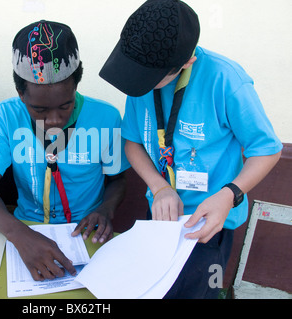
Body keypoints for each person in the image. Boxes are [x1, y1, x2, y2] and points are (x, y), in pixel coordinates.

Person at [100, 0, 282, 298]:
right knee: (153, 289)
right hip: (161, 211)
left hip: (212, 220)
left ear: (186, 63)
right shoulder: (140, 80)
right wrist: (159, 187)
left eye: (148, 79)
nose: (139, 85)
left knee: (200, 291)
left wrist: (228, 196)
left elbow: (267, 150)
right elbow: (132, 142)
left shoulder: (226, 80)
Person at [0, 20, 130, 281]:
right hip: (25, 228)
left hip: (84, 233)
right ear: (20, 93)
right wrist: (20, 235)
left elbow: (118, 179)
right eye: (40, 110)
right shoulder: (6, 116)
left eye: (66, 106)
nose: (55, 119)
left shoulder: (106, 117)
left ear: (76, 86)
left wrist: (105, 209)